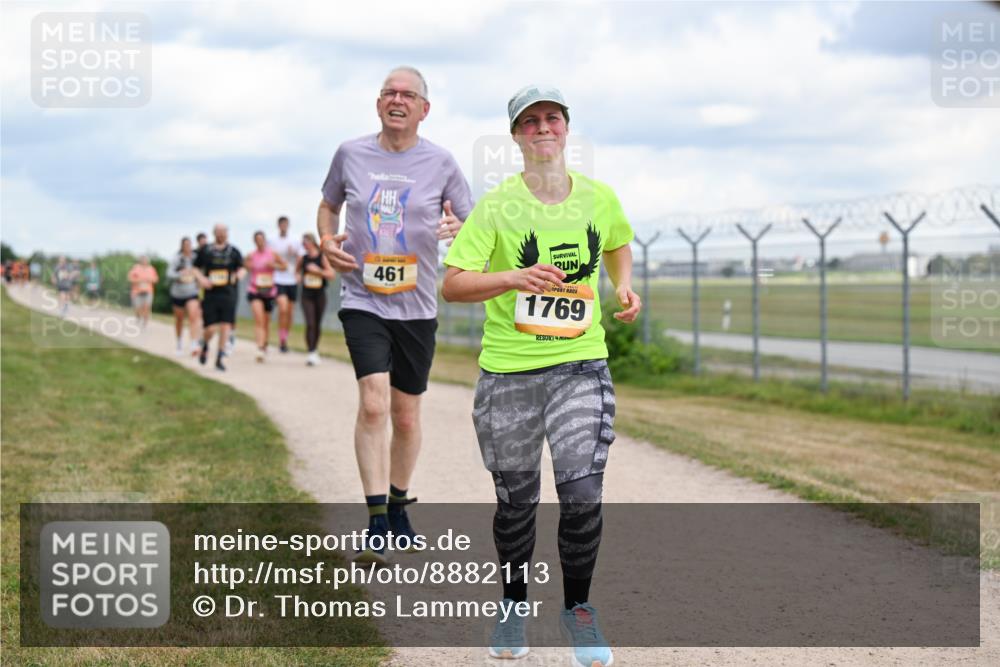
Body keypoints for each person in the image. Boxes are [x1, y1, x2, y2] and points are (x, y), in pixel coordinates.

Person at [442, 85, 641, 667]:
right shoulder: (498, 206)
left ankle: (578, 609)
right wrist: (513, 278)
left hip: (581, 365)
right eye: (530, 122)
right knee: (517, 503)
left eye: (552, 117)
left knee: (581, 493)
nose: (543, 128)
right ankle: (511, 609)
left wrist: (622, 285)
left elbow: (619, 242)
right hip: (509, 374)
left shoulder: (600, 198)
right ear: (517, 137)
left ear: (566, 128)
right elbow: (453, 283)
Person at [317, 65, 473, 563]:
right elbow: (327, 205)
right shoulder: (351, 153)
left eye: (408, 94)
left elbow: (470, 221)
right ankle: (377, 519)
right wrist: (326, 239)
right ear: (378, 104)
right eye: (389, 92)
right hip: (363, 299)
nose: (397, 99)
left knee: (405, 416)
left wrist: (456, 226)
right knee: (373, 405)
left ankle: (401, 500)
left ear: (424, 109)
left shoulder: (443, 163)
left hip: (417, 306)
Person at [193, 224, 244, 371]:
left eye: (224, 232)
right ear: (214, 233)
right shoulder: (206, 250)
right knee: (211, 328)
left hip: (228, 293)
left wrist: (239, 275)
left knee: (226, 325)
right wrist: (201, 279)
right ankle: (205, 344)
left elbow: (242, 268)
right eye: (219, 232)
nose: (221, 234)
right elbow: (195, 268)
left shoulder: (234, 251)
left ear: (227, 233)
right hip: (211, 294)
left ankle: (219, 357)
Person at [245, 231, 287, 362]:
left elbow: (284, 266)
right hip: (255, 290)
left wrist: (273, 265)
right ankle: (260, 347)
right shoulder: (251, 255)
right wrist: (248, 266)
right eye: (257, 239)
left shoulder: (272, 254)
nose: (259, 242)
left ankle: (264, 343)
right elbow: (245, 267)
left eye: (261, 239)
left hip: (269, 291)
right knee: (259, 319)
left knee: (266, 321)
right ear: (254, 241)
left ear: (265, 240)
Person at [297, 233, 336, 366]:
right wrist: (298, 277)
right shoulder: (303, 259)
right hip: (306, 295)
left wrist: (317, 271)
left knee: (317, 324)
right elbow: (297, 272)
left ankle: (315, 349)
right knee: (310, 323)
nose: (304, 245)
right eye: (303, 243)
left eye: (306, 242)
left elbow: (331, 275)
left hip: (319, 295)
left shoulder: (321, 257)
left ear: (312, 242)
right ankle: (311, 352)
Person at [269, 216, 302, 353]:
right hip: (278, 278)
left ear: (288, 225)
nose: (284, 226)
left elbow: (300, 257)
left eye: (286, 224)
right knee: (282, 308)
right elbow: (268, 258)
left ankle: (284, 339)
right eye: (281, 224)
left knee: (290, 311)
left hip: (291, 279)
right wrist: (278, 265)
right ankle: (281, 337)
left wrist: (297, 271)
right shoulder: (272, 241)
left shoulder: (294, 240)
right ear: (278, 225)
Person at [167, 237, 203, 356]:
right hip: (178, 293)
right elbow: (169, 273)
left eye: (189, 244)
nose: (188, 246)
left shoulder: (195, 258)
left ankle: (194, 343)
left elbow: (201, 270)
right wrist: (180, 274)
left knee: (194, 316)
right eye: (185, 244)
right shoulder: (176, 258)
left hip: (192, 292)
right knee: (179, 319)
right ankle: (179, 342)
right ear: (182, 246)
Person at [127, 255, 159, 328]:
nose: (144, 261)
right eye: (143, 260)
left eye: (146, 260)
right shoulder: (135, 268)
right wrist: (138, 281)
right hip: (137, 292)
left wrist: (150, 280)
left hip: (148, 291)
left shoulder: (151, 269)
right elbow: (130, 278)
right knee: (138, 308)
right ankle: (138, 317)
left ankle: (145, 323)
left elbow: (156, 279)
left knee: (147, 307)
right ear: (140, 261)